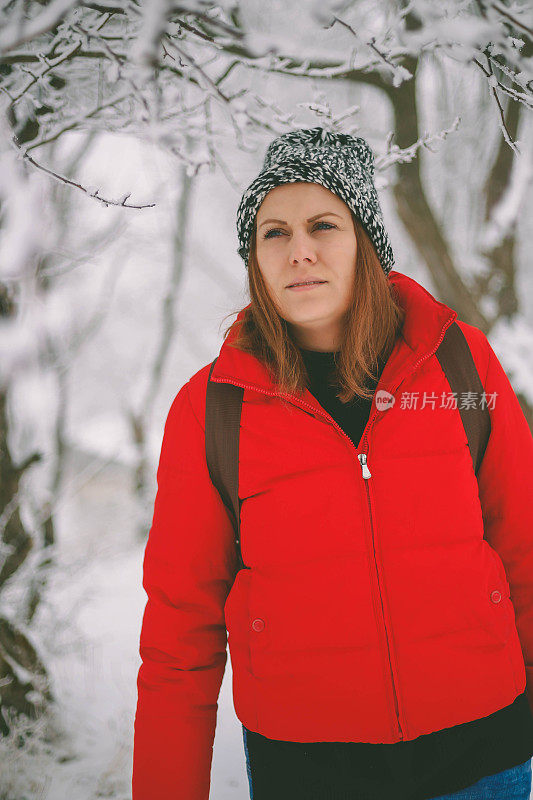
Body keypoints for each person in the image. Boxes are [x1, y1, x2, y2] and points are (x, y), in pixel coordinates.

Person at [132, 127, 533, 800]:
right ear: (253, 259)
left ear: (367, 245)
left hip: (482, 752)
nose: (300, 252)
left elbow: (524, 544)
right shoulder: (212, 411)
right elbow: (179, 635)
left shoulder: (462, 364)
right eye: (273, 233)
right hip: (309, 771)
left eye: (324, 224)